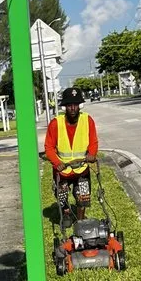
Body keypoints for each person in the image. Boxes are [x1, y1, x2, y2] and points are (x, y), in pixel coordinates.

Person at [44, 86, 99, 221]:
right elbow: (48, 147)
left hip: (82, 168)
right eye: (69, 105)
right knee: (61, 194)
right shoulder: (56, 123)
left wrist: (92, 154)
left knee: (83, 196)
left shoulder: (87, 120)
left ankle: (80, 220)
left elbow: (93, 141)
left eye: (75, 105)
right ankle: (66, 212)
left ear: (80, 106)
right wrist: (57, 163)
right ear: (65, 107)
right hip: (63, 169)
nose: (73, 108)